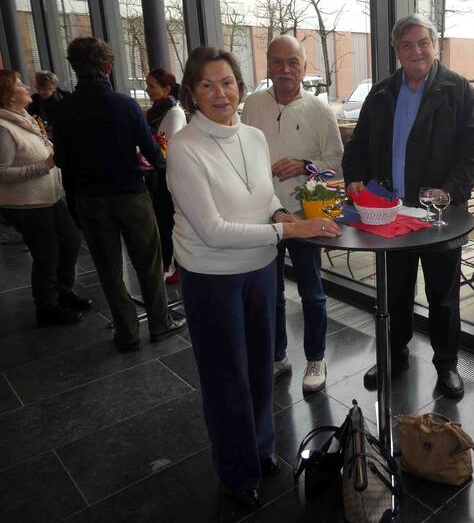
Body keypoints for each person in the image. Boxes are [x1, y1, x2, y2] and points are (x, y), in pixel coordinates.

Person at [168, 46, 339, 508]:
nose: (220, 93)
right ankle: (237, 472)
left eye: (227, 82)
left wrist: (283, 214)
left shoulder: (253, 137)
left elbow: (266, 199)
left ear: (240, 87)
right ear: (192, 92)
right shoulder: (185, 147)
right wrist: (291, 229)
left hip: (260, 269)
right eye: (207, 85)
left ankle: (261, 449)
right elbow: (213, 230)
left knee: (261, 368)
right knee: (227, 379)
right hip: (212, 276)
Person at [341, 14, 474, 399]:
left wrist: (450, 191)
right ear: (397, 50)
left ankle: (447, 364)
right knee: (394, 294)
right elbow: (358, 144)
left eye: (423, 42)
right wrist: (354, 177)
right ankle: (394, 356)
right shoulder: (381, 92)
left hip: (438, 215)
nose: (416, 51)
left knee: (443, 297)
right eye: (407, 44)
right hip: (390, 214)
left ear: (435, 45)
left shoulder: (458, 90)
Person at [53, 36, 185, 353]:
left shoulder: (64, 109)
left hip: (89, 199)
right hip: (131, 195)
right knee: (148, 262)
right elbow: (153, 153)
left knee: (108, 269)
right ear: (109, 67)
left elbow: (61, 160)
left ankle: (127, 332)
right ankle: (159, 323)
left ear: (74, 67)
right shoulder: (124, 105)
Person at [242, 35, 343, 394]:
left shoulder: (319, 110)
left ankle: (316, 358)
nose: (285, 69)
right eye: (277, 61)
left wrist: (305, 165)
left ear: (303, 66)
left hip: (303, 215)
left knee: (312, 292)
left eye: (292, 62)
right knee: (269, 293)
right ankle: (277, 356)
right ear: (268, 65)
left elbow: (336, 163)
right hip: (262, 214)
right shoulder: (253, 105)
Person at [0, 69, 90, 326]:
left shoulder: (23, 117)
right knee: (47, 253)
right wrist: (46, 165)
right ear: (7, 95)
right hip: (27, 204)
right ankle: (47, 307)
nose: (27, 87)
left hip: (49, 196)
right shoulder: (4, 129)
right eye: (20, 84)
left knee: (71, 241)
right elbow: (2, 172)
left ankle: (63, 291)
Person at [144, 68, 186, 283]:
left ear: (166, 89)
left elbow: (169, 147)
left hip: (169, 176)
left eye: (152, 86)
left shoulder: (173, 113)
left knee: (169, 221)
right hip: (157, 174)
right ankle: (169, 263)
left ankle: (174, 265)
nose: (147, 89)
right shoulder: (156, 111)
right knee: (162, 221)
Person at [28, 70, 71, 137]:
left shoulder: (66, 97)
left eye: (45, 89)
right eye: (38, 88)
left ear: (54, 87)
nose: (41, 92)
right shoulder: (34, 100)